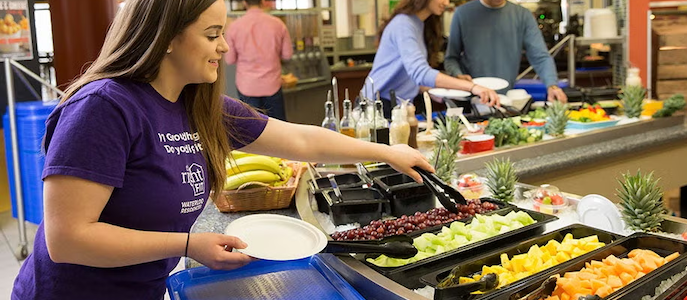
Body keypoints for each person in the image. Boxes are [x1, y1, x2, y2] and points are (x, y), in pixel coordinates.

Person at [11, 1, 433, 299]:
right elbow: (68, 239)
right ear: (167, 38)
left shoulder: (198, 104)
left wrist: (387, 152)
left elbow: (300, 139)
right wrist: (187, 244)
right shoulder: (104, 108)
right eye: (212, 34)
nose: (225, 47)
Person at [363, 0, 501, 119]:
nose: (446, 3)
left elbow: (410, 77)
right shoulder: (403, 24)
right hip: (377, 108)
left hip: (396, 107)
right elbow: (420, 73)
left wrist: (448, 89)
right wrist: (473, 87)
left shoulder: (418, 24)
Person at [444, 0, 568, 102]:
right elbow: (451, 59)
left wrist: (552, 85)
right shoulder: (463, 13)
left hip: (504, 99)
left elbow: (540, 56)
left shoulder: (522, 15)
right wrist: (457, 74)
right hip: (469, 99)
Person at [225, 0, 292, 120]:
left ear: (245, 2)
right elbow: (287, 55)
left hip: (247, 85)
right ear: (262, 1)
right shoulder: (278, 24)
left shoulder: (234, 27)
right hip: (272, 84)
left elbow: (229, 59)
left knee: (252, 129)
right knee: (279, 129)